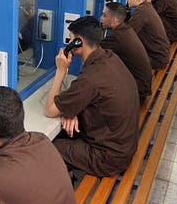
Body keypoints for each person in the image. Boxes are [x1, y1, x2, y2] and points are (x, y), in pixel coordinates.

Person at [45, 16, 139, 177]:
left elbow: (50, 110)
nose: (69, 42)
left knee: (50, 147)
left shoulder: (91, 78)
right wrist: (72, 109)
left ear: (79, 42)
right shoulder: (109, 57)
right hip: (123, 146)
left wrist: (61, 70)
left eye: (71, 39)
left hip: (108, 158)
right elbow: (92, 95)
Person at [100, 2, 152, 103]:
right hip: (141, 87)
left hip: (137, 91)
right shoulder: (126, 30)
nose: (101, 18)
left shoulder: (117, 37)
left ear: (114, 20)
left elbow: (93, 51)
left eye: (104, 15)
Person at [126, 0, 170, 70]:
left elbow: (128, 32)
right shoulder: (146, 7)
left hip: (156, 59)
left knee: (123, 58)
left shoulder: (141, 11)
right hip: (161, 55)